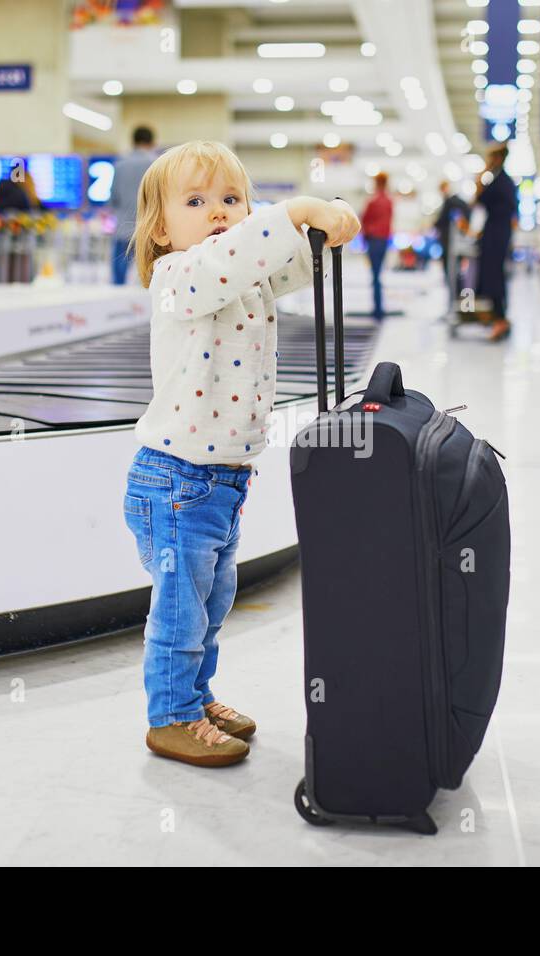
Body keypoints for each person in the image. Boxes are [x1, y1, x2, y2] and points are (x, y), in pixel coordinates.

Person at [124, 140, 359, 767]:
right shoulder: (180, 278)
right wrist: (291, 212)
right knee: (179, 612)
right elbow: (238, 256)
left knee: (211, 603)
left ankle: (195, 699)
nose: (219, 212)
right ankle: (168, 717)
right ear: (161, 228)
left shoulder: (241, 275)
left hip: (222, 481)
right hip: (175, 481)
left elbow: (288, 266)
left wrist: (323, 230)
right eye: (196, 202)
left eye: (231, 199)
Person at [474, 143, 517, 341]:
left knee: (494, 276)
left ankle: (500, 319)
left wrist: (483, 172)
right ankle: (499, 317)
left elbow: (478, 198)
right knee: (494, 275)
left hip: (496, 235)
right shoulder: (502, 180)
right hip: (498, 233)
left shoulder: (501, 181)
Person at [110, 125, 158, 285]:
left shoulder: (120, 165)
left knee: (119, 278)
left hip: (123, 228)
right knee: (150, 276)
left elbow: (113, 198)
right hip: (149, 228)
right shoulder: (156, 165)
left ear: (133, 142)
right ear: (152, 142)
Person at [361, 171, 393, 321]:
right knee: (378, 275)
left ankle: (378, 309)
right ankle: (379, 308)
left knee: (375, 276)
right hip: (384, 241)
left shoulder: (372, 201)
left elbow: (364, 221)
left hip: (373, 241)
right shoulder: (389, 201)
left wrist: (364, 239)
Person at [434, 179, 470, 306]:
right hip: (459, 244)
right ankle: (461, 303)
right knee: (460, 274)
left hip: (450, 245)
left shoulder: (450, 202)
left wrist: (435, 224)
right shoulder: (461, 203)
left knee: (452, 274)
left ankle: (458, 303)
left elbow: (440, 221)